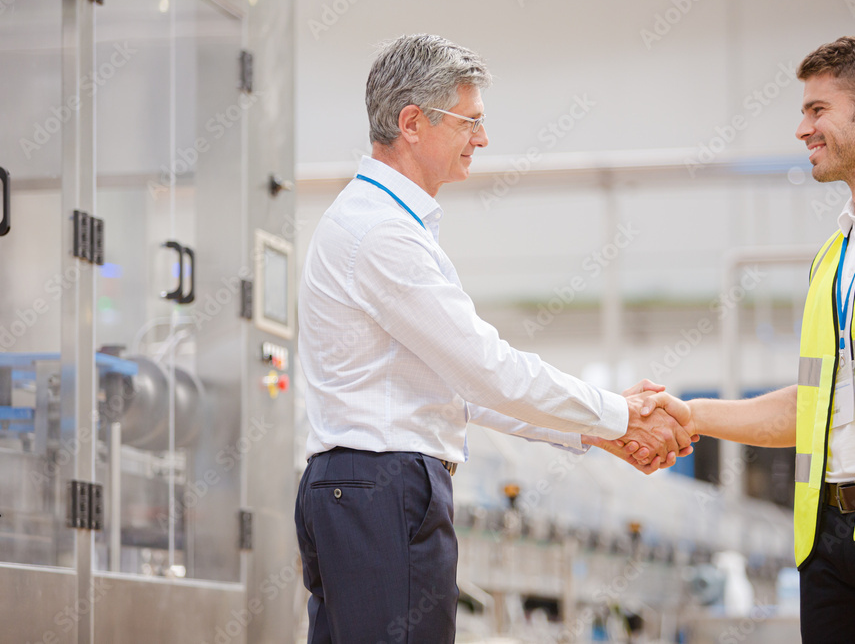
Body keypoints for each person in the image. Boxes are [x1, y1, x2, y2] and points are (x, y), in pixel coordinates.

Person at [293, 34, 693, 644]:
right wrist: (619, 413)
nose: (482, 139)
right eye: (470, 122)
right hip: (383, 492)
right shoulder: (380, 234)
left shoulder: (386, 224)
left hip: (368, 491)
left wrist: (593, 431)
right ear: (412, 123)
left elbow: (460, 388)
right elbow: (487, 370)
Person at [635, 35, 855, 642]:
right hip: (831, 545)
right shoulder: (835, 254)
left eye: (816, 110)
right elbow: (814, 407)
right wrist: (692, 413)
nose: (801, 129)